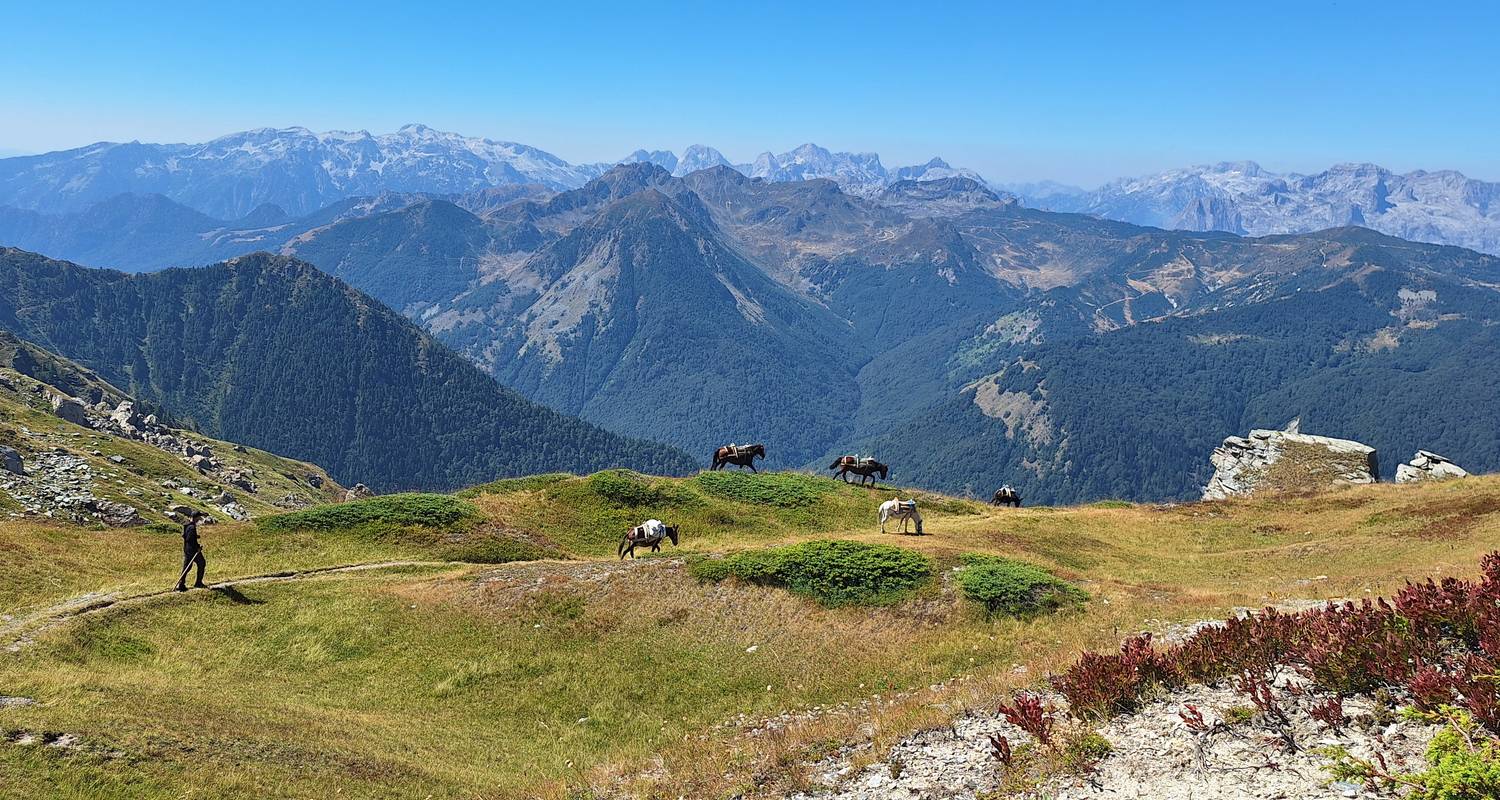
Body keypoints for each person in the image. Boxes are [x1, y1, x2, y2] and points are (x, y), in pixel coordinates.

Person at [175, 511, 207, 591]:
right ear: (196, 518)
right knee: (202, 563)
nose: (200, 519)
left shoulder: (187, 526)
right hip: (192, 550)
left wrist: (195, 536)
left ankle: (181, 585)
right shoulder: (192, 527)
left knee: (187, 567)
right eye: (199, 518)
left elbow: (184, 536)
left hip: (187, 549)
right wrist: (197, 548)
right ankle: (198, 583)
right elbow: (190, 539)